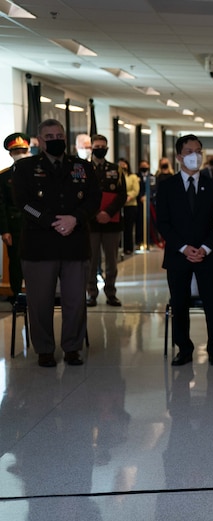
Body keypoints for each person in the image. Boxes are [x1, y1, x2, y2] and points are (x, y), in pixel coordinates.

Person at [12, 118, 101, 367]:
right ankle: (44, 350)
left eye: (59, 135)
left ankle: (72, 347)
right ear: (40, 141)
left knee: (75, 302)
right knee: (40, 302)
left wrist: (75, 218)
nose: (55, 140)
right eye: (49, 137)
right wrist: (51, 221)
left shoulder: (82, 167)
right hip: (39, 246)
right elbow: (23, 202)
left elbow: (94, 199)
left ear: (65, 137)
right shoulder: (26, 168)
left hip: (75, 244)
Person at [156, 134, 213, 367]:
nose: (194, 155)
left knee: (211, 303)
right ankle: (183, 348)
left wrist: (205, 248)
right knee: (179, 302)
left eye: (198, 151)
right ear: (179, 157)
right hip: (178, 256)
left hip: (208, 256)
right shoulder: (167, 187)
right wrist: (185, 248)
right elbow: (163, 223)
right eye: (189, 151)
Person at [86, 134, 127, 307]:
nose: (100, 149)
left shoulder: (116, 169)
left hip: (112, 222)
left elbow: (122, 195)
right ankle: (91, 293)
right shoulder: (83, 168)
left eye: (103, 146)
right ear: (91, 148)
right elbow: (81, 195)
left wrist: (108, 213)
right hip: (91, 223)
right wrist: (96, 213)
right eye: (97, 146)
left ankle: (111, 293)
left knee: (112, 261)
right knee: (91, 260)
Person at [0, 133, 30, 301]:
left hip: (36, 224)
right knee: (16, 263)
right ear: (10, 153)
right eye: (16, 150)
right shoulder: (4, 177)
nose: (20, 153)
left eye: (23, 150)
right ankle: (17, 295)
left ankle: (37, 294)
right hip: (14, 226)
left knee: (37, 262)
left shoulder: (38, 174)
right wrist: (4, 230)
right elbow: (1, 204)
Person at [120, 158, 140, 255]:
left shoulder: (132, 176)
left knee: (129, 228)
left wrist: (127, 197)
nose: (122, 166)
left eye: (124, 164)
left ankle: (129, 247)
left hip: (130, 205)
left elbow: (135, 190)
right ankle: (120, 246)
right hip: (119, 206)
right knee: (121, 228)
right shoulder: (118, 176)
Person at [135, 159, 154, 249]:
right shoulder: (136, 176)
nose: (144, 167)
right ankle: (139, 241)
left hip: (149, 203)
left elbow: (154, 188)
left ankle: (149, 240)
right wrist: (140, 197)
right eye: (142, 165)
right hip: (139, 203)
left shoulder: (152, 177)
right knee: (139, 222)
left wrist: (148, 196)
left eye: (145, 165)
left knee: (150, 221)